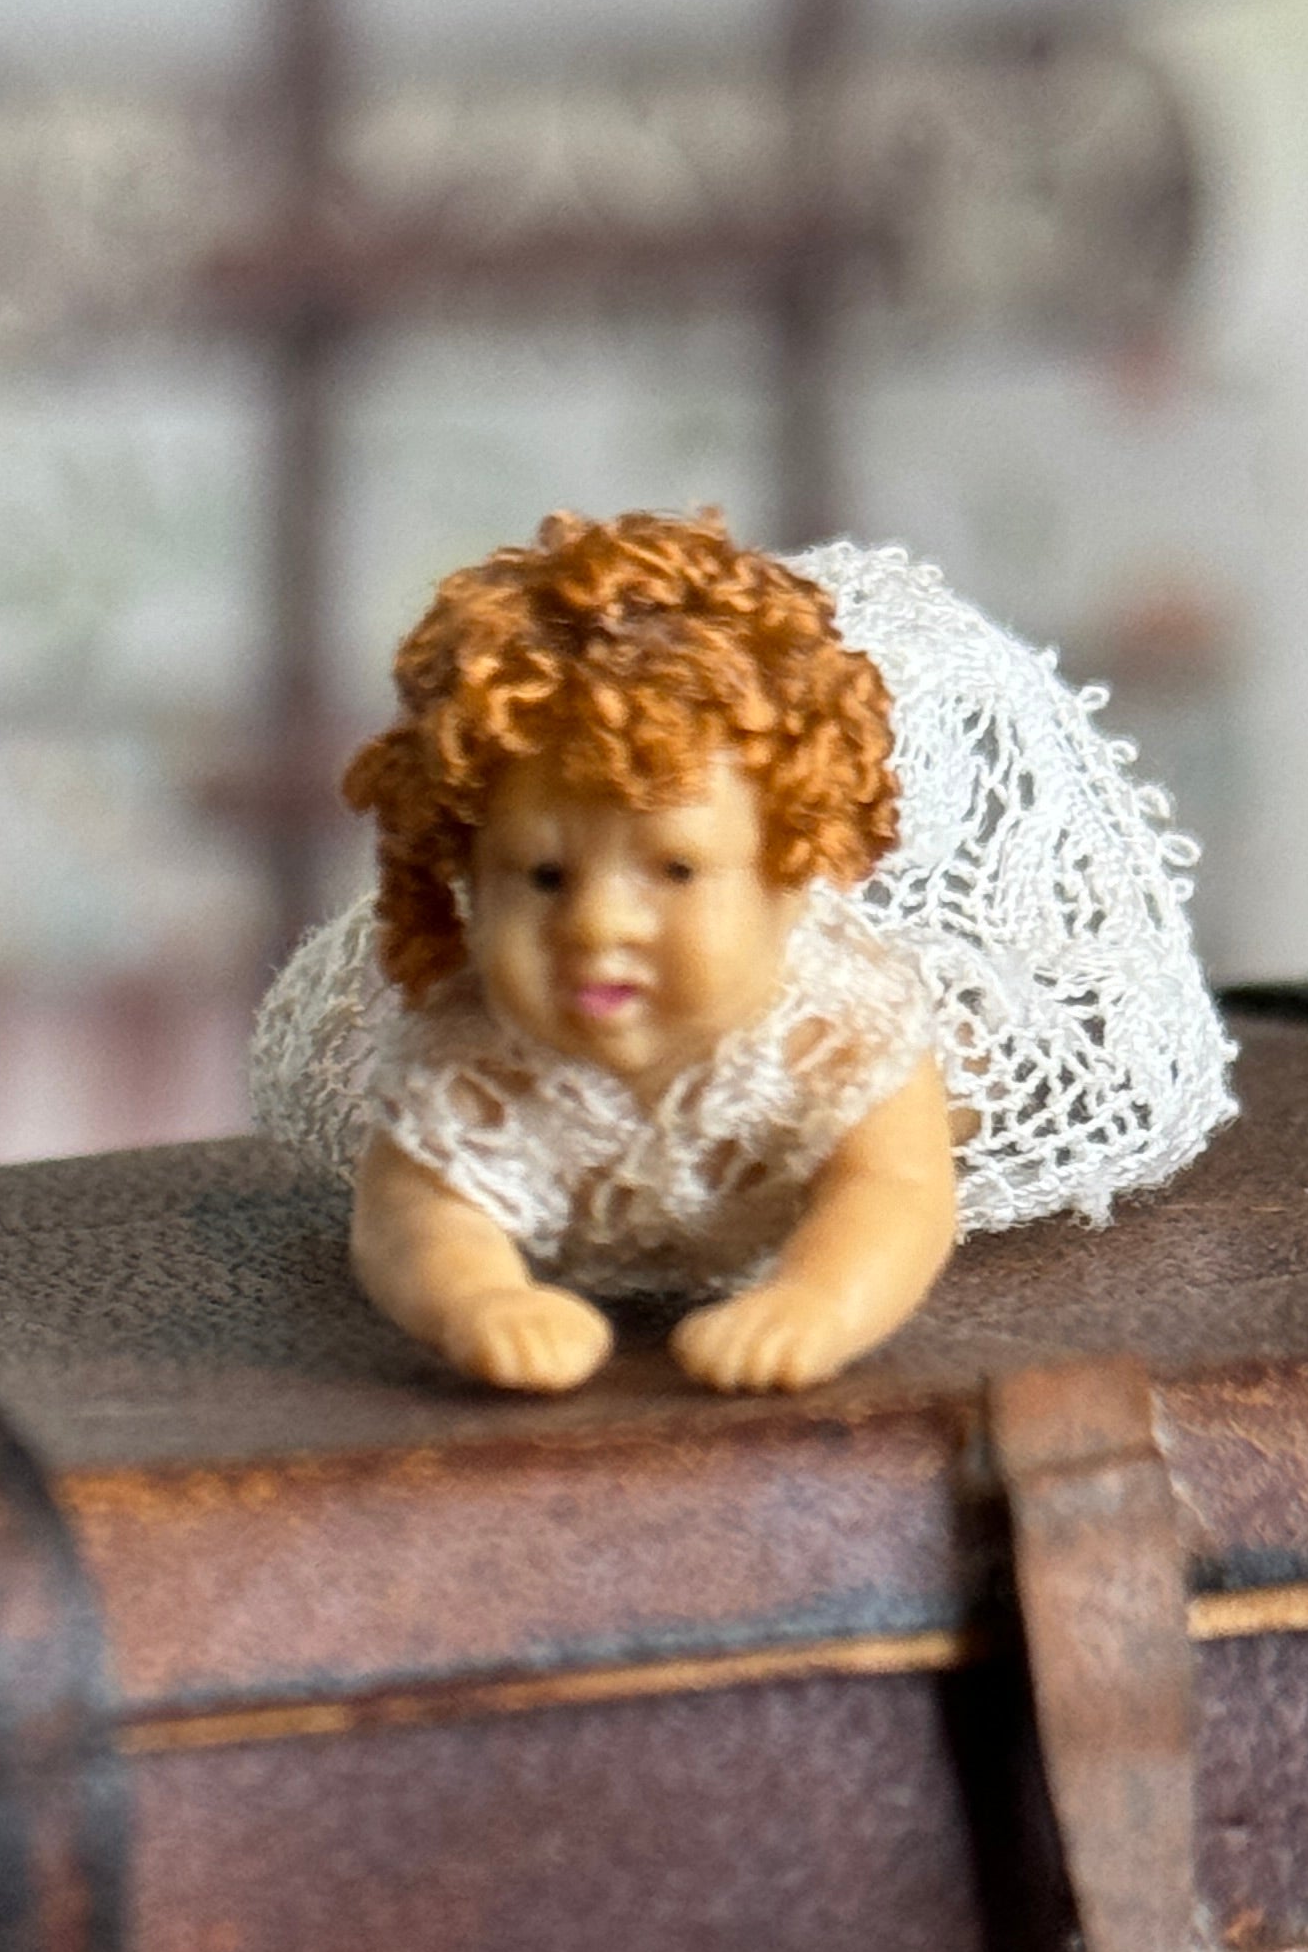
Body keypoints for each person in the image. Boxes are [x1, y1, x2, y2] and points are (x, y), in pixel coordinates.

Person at [249, 506, 1233, 1394]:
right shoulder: (472, 1050)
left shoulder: (834, 1024)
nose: (597, 926)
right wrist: (478, 1302)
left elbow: (894, 1190)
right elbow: (412, 1212)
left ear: (785, 875)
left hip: (820, 1151)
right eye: (543, 877)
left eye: (674, 873)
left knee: (950, 1095)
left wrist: (818, 1300)